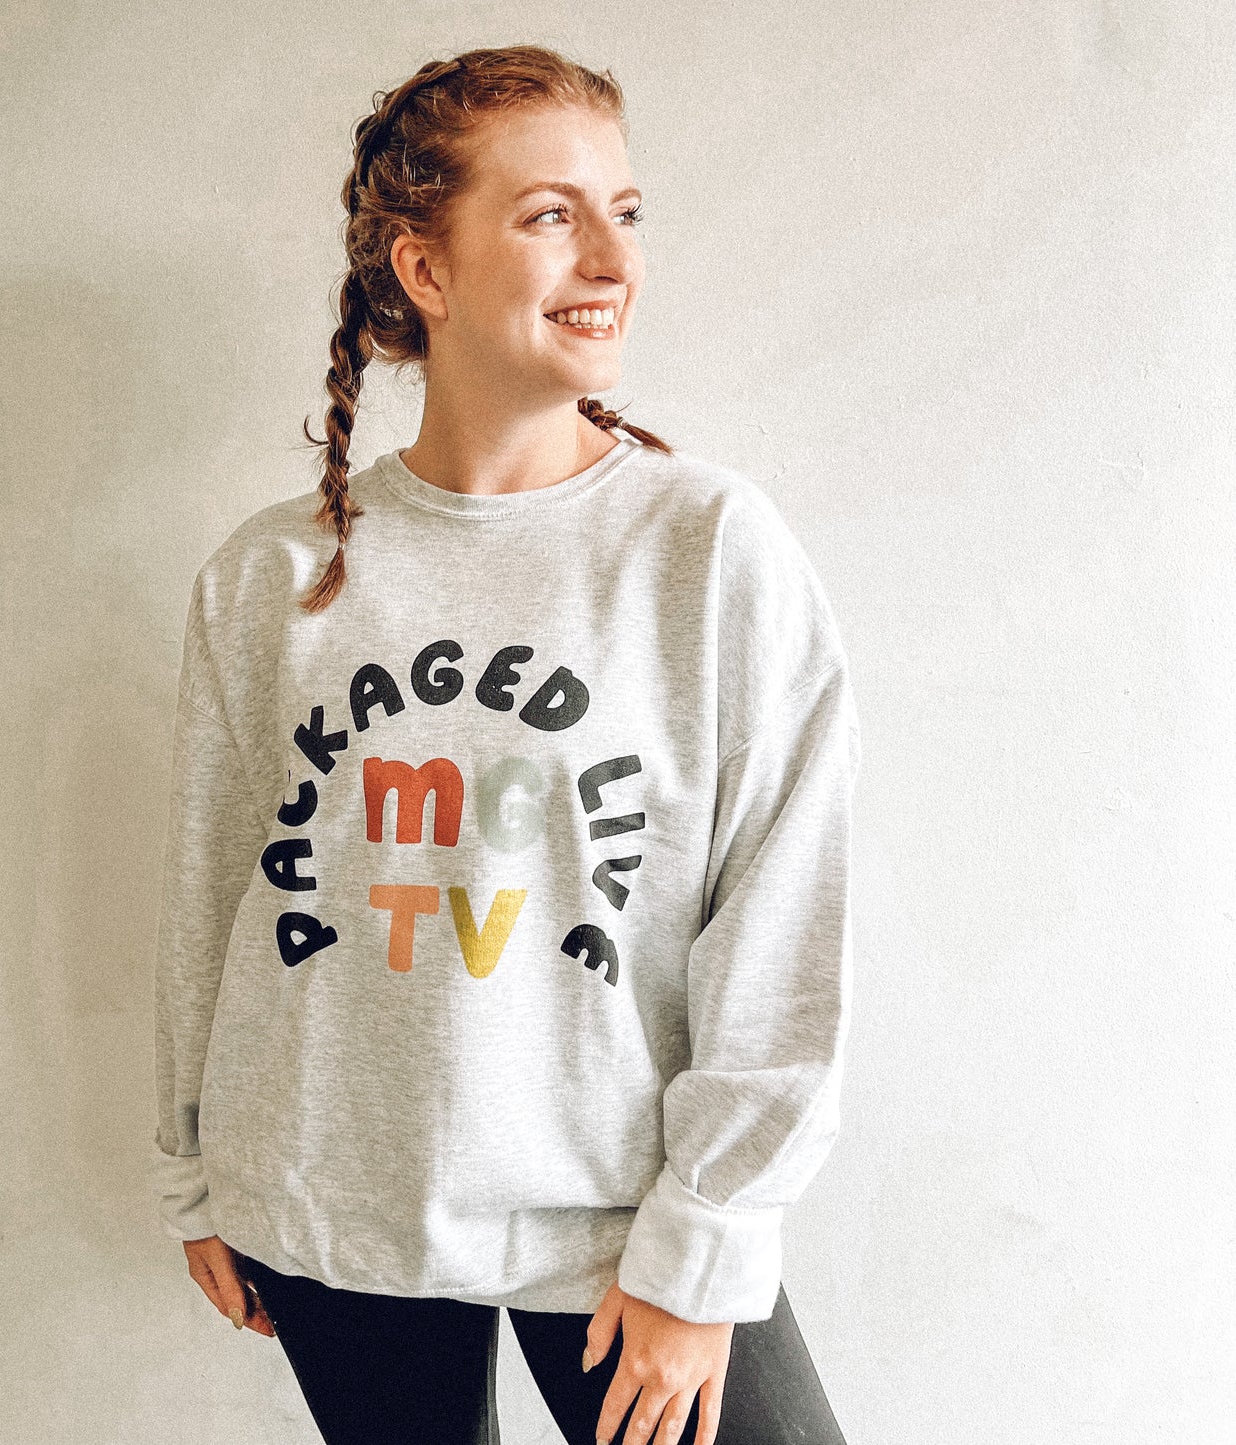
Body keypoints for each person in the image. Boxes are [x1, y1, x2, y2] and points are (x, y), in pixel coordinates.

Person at [150, 44, 862, 1445]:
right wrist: (195, 1171)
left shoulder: (707, 550)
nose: (613, 259)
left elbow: (783, 917)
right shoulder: (269, 578)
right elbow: (212, 889)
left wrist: (708, 1236)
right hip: (331, 1200)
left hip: (619, 1217)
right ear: (424, 267)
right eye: (550, 215)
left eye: (626, 212)